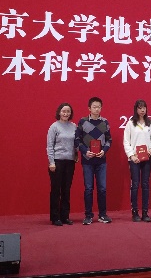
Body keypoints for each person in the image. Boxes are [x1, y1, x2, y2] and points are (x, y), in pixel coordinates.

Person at [75, 96, 113, 225]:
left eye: (99, 107)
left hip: (101, 160)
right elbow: (77, 140)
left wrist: (104, 150)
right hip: (87, 160)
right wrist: (85, 151)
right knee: (88, 188)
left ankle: (102, 214)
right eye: (94, 107)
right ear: (89, 108)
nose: (97, 109)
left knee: (102, 189)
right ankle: (88, 215)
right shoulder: (83, 121)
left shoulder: (105, 122)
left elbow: (109, 140)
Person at [123, 99, 151, 222]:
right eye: (140, 108)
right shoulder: (130, 123)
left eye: (144, 107)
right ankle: (135, 212)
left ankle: (145, 212)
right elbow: (126, 141)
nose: (142, 110)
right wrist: (131, 155)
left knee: (145, 184)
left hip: (147, 158)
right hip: (134, 159)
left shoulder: (150, 123)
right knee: (135, 184)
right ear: (136, 109)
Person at [46, 102, 78, 226]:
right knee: (56, 190)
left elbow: (76, 143)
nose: (66, 113)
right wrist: (51, 162)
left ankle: (65, 216)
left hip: (70, 162)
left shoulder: (74, 126)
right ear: (59, 112)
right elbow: (50, 146)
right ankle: (55, 217)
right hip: (57, 162)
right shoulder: (54, 127)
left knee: (66, 189)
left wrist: (76, 154)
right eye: (64, 111)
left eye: (68, 111)